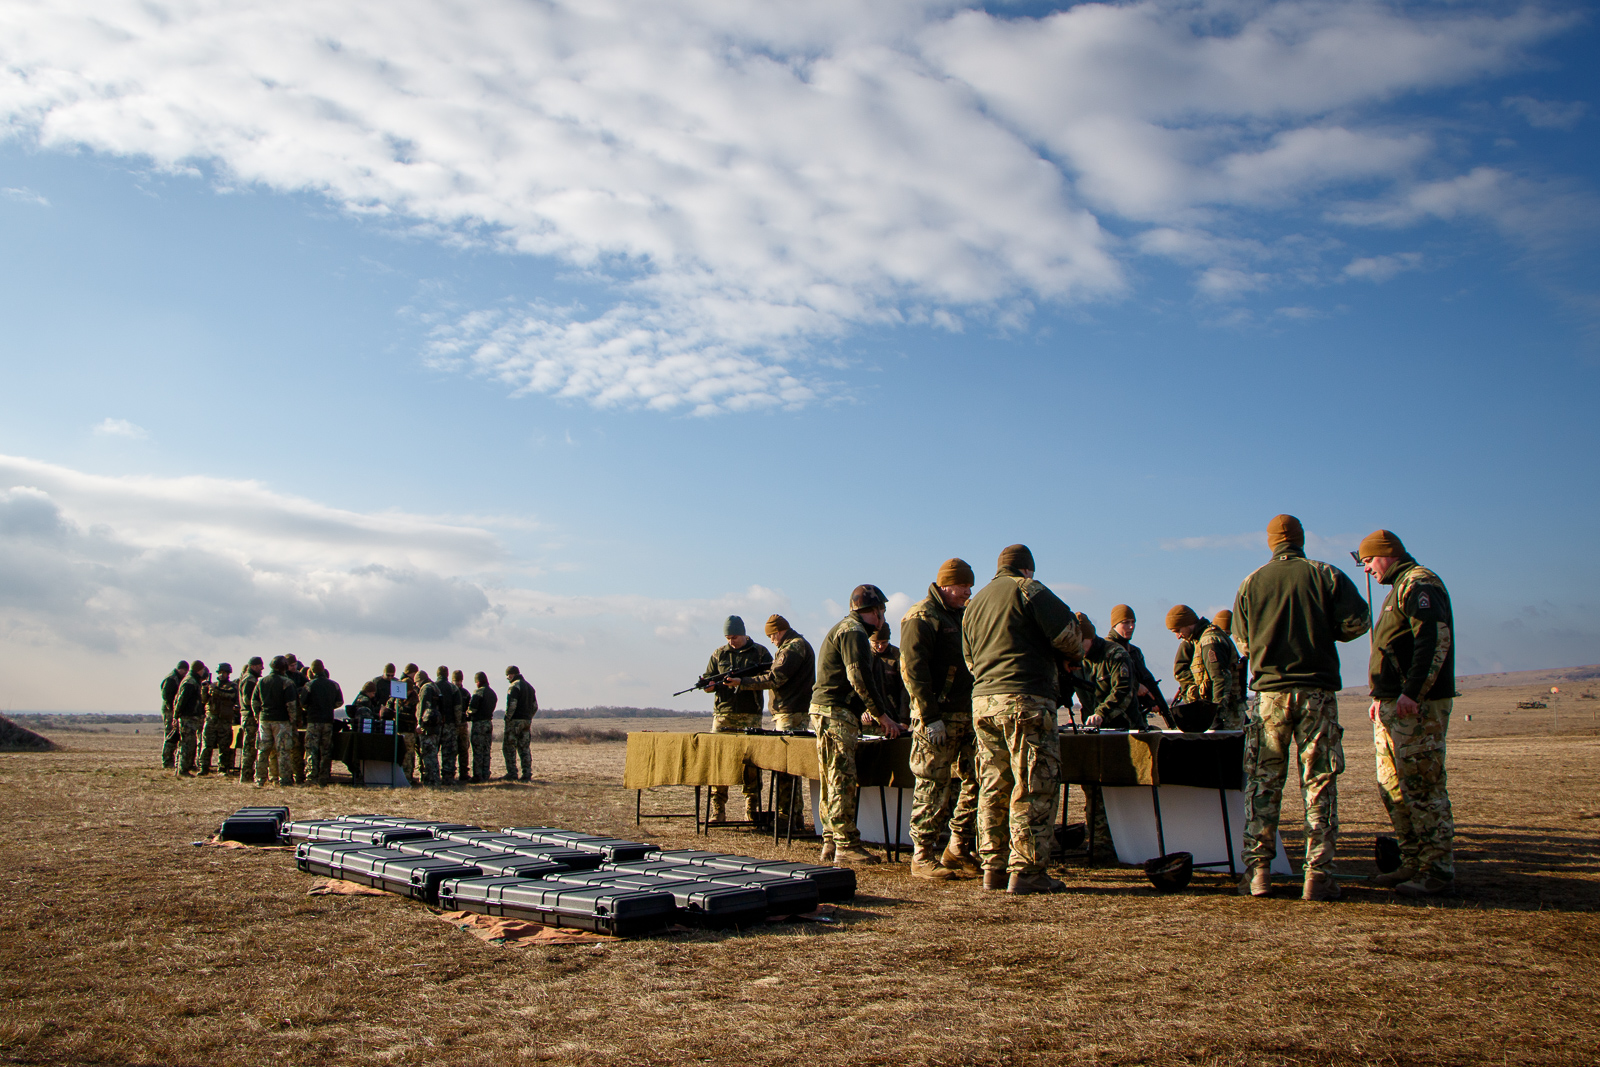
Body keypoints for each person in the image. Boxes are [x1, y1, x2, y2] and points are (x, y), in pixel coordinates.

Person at [1233, 514, 1371, 902]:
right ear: (1301, 539)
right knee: (1319, 783)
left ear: (1271, 542)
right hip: (1317, 692)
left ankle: (1258, 873)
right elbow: (1358, 623)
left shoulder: (1250, 583)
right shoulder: (1327, 575)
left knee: (1263, 785)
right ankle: (1319, 874)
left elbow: (1244, 644)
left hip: (1269, 696)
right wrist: (1322, 630)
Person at [962, 544, 1081, 895]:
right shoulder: (1029, 589)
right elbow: (1069, 636)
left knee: (993, 785)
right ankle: (1027, 870)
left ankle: (993, 867)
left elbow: (970, 661)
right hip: (1026, 698)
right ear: (1027, 569)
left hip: (983, 703)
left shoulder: (974, 604)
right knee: (1032, 783)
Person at [1360, 529, 1457, 899]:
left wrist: (1413, 693)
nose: (1367, 568)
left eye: (1369, 560)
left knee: (1422, 785)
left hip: (1415, 708)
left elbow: (1433, 639)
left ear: (1387, 554)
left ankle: (1437, 869)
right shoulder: (1397, 590)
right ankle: (1413, 860)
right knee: (1393, 787)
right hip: (1391, 706)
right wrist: (1381, 695)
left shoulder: (1419, 584)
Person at [900, 558, 979, 881]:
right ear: (947, 584)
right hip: (935, 718)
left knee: (977, 780)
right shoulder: (922, 616)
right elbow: (913, 670)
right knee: (932, 784)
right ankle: (922, 854)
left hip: (967, 715)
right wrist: (930, 716)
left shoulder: (963, 616)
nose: (968, 592)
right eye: (963, 586)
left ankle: (958, 846)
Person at [810, 586, 900, 866]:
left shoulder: (846, 628)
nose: (883, 617)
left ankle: (830, 840)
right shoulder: (855, 632)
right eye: (882, 612)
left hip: (827, 711)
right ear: (875, 611)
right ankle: (846, 844)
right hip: (836, 713)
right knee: (842, 779)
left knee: (831, 778)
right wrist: (882, 716)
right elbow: (858, 677)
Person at [725, 614, 814, 832]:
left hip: (790, 714)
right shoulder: (797, 645)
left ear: (778, 632)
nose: (771, 640)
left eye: (771, 636)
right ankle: (795, 816)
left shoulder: (792, 648)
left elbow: (775, 678)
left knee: (786, 767)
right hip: (794, 712)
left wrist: (742, 682)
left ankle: (785, 819)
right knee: (793, 768)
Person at [1076, 613, 1138, 856]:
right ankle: (1100, 842)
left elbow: (1123, 689)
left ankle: (1128, 842)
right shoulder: (1077, 660)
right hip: (1093, 733)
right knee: (1092, 787)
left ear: (1090, 638)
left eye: (1080, 643)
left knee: (1120, 789)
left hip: (1122, 728)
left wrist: (1102, 713)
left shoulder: (1115, 654)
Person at [704, 616, 773, 825]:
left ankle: (752, 809)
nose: (731, 641)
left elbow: (771, 678)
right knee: (719, 763)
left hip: (750, 715)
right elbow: (710, 678)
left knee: (751, 765)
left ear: (743, 634)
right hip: (724, 715)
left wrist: (743, 682)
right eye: (727, 637)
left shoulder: (760, 653)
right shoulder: (719, 654)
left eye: (734, 637)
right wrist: (709, 685)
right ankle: (718, 810)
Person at [1165, 607, 1245, 730]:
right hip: (1216, 712)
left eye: (1178, 630)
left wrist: (1216, 715)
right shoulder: (1199, 640)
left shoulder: (1210, 641)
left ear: (1187, 623)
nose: (1178, 636)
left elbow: (1220, 679)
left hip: (1225, 715)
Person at [1106, 605, 1168, 727]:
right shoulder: (1106, 649)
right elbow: (1105, 681)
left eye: (1133, 622)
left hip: (1135, 715)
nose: (1131, 627)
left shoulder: (1135, 652)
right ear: (1114, 624)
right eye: (1126, 622)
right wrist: (1135, 686)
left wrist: (1151, 701)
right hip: (1113, 716)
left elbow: (1144, 679)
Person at [252, 656, 299, 788]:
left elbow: (254, 702)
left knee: (262, 750)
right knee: (283, 751)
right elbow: (291, 705)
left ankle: (260, 778)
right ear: (283, 667)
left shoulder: (261, 682)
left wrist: (258, 716)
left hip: (264, 720)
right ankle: (284, 779)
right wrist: (292, 721)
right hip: (281, 722)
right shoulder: (287, 683)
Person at [301, 659, 344, 787]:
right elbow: (339, 702)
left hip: (313, 720)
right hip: (328, 721)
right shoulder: (334, 685)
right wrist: (328, 706)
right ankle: (324, 776)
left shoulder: (309, 685)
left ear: (312, 671)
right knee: (326, 749)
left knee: (311, 749)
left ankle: (311, 776)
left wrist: (310, 708)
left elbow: (303, 703)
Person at [199, 662, 239, 776]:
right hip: (211, 719)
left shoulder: (232, 686)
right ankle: (204, 767)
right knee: (207, 745)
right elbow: (204, 700)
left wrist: (215, 690)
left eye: (224, 673)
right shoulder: (213, 685)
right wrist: (204, 690)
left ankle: (223, 768)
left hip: (224, 720)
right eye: (220, 673)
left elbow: (230, 695)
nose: (222, 675)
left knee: (224, 746)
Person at [172, 661, 208, 777]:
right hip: (187, 718)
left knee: (188, 743)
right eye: (202, 669)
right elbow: (181, 700)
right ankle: (182, 770)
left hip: (190, 717)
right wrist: (176, 716)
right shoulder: (190, 682)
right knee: (187, 744)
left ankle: (182, 768)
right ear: (199, 669)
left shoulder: (192, 680)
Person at [502, 666, 538, 781]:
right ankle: (527, 773)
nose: (507, 678)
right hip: (526, 721)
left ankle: (512, 773)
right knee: (524, 747)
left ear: (512, 674)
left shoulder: (514, 686)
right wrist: (528, 717)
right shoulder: (530, 687)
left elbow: (512, 704)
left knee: (509, 747)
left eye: (508, 675)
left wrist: (508, 718)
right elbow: (535, 706)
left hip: (515, 721)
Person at [390, 663, 421, 783]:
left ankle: (407, 778)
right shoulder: (396, 698)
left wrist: (398, 716)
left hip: (408, 731)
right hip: (397, 730)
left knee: (408, 756)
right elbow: (390, 706)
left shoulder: (415, 699)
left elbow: (414, 717)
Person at [237, 657, 264, 784]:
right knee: (249, 747)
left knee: (249, 746)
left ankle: (246, 773)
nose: (262, 668)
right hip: (249, 716)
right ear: (253, 666)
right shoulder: (250, 680)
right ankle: (246, 775)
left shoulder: (247, 678)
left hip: (246, 715)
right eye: (260, 666)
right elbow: (248, 699)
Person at [468, 671, 498, 783]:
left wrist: (468, 713)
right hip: (488, 723)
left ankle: (477, 775)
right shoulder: (492, 693)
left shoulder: (479, 692)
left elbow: (472, 709)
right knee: (486, 749)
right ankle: (486, 773)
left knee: (478, 750)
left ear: (478, 681)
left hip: (479, 724)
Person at [159, 660, 189, 769]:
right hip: (169, 710)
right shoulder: (171, 679)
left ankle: (173, 760)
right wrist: (173, 710)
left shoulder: (179, 679)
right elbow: (167, 697)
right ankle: (167, 761)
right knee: (170, 735)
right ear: (179, 669)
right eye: (184, 670)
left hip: (175, 709)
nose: (185, 672)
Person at [451, 669, 472, 782]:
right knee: (452, 749)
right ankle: (451, 773)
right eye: (456, 680)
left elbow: (469, 708)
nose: (458, 683)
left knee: (464, 749)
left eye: (459, 680)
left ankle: (464, 773)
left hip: (463, 725)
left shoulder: (465, 693)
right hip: (453, 726)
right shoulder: (450, 691)